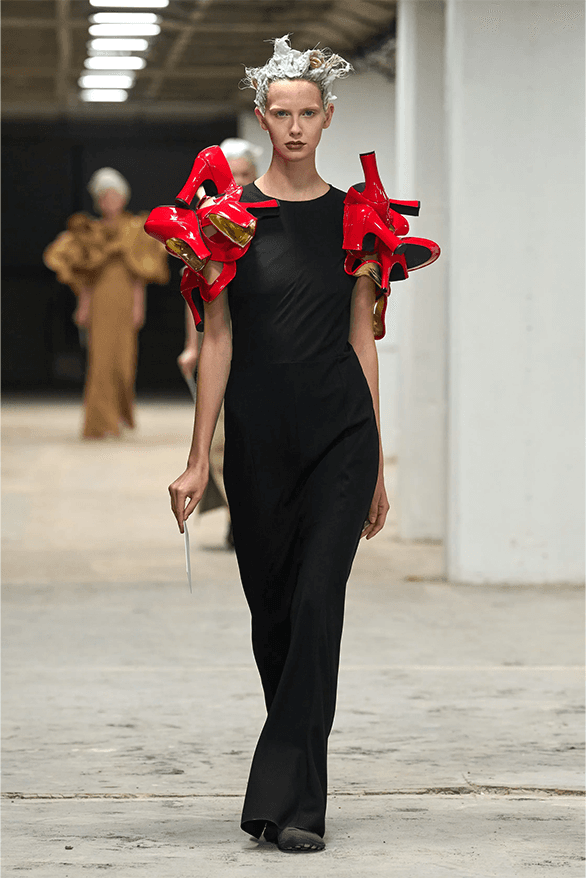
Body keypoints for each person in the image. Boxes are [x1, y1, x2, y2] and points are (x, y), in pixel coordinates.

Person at [168, 35, 389, 853]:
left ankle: (290, 803)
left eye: (308, 113)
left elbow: (362, 339)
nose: (295, 127)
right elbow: (217, 340)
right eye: (281, 113)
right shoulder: (228, 222)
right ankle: (295, 790)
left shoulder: (356, 215)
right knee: (275, 617)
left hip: (340, 436)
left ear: (328, 119)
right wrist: (200, 457)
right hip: (259, 440)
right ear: (261, 119)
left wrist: (377, 459)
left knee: (317, 604)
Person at [176, 139, 263, 545]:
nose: (238, 182)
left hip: (264, 345)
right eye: (232, 174)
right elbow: (195, 291)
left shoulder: (266, 220)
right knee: (222, 440)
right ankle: (237, 514)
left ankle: (252, 514)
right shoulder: (207, 223)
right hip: (222, 343)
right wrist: (192, 346)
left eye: (245, 174)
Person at [44, 168, 168, 439]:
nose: (108, 201)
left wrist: (139, 306)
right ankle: (100, 423)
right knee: (100, 363)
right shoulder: (91, 232)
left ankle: (121, 415)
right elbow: (86, 276)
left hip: (124, 302)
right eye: (103, 197)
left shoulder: (134, 229)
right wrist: (83, 305)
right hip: (100, 303)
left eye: (113, 195)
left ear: (123, 197)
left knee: (124, 363)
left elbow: (140, 274)